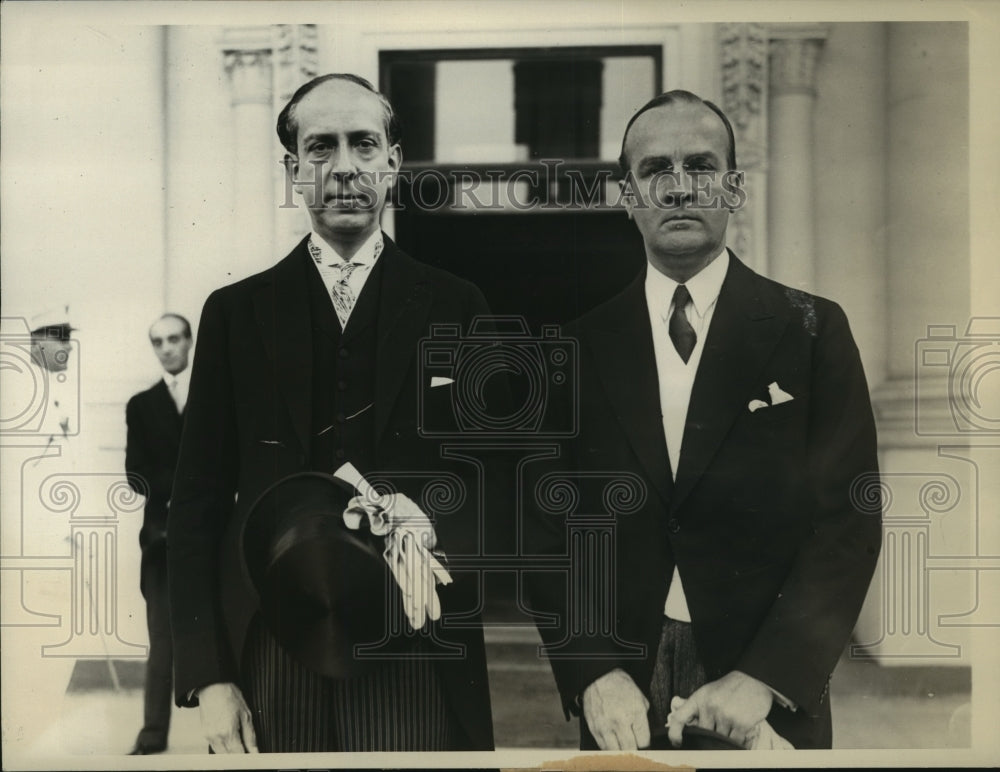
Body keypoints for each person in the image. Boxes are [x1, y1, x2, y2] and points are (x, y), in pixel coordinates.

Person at [525, 90, 882, 751]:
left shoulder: (811, 330)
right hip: (624, 688)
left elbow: (848, 523)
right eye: (656, 169)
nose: (680, 186)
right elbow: (547, 532)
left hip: (762, 683)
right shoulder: (571, 349)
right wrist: (593, 668)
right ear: (627, 195)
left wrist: (767, 676)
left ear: (735, 188)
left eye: (702, 165)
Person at [167, 73, 495, 753]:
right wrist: (209, 676)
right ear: (293, 170)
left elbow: (494, 476)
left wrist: (431, 515)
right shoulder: (234, 315)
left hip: (410, 637)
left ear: (393, 164)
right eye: (320, 148)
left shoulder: (456, 305)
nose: (343, 166)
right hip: (271, 641)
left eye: (363, 144)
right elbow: (195, 505)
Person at [124, 313, 193, 754]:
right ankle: (152, 738)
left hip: (216, 534)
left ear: (189, 341)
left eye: (173, 339)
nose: (166, 348)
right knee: (163, 640)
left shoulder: (216, 395)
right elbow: (136, 475)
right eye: (157, 342)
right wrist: (189, 487)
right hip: (162, 538)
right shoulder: (141, 405)